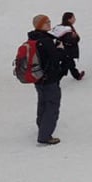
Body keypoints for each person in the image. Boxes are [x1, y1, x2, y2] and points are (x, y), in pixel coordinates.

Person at [29, 14, 70, 145]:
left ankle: (42, 126)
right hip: (49, 77)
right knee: (52, 105)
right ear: (40, 25)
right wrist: (61, 50)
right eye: (46, 22)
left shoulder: (33, 38)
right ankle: (45, 135)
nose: (49, 23)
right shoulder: (46, 41)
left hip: (38, 77)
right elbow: (54, 58)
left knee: (42, 102)